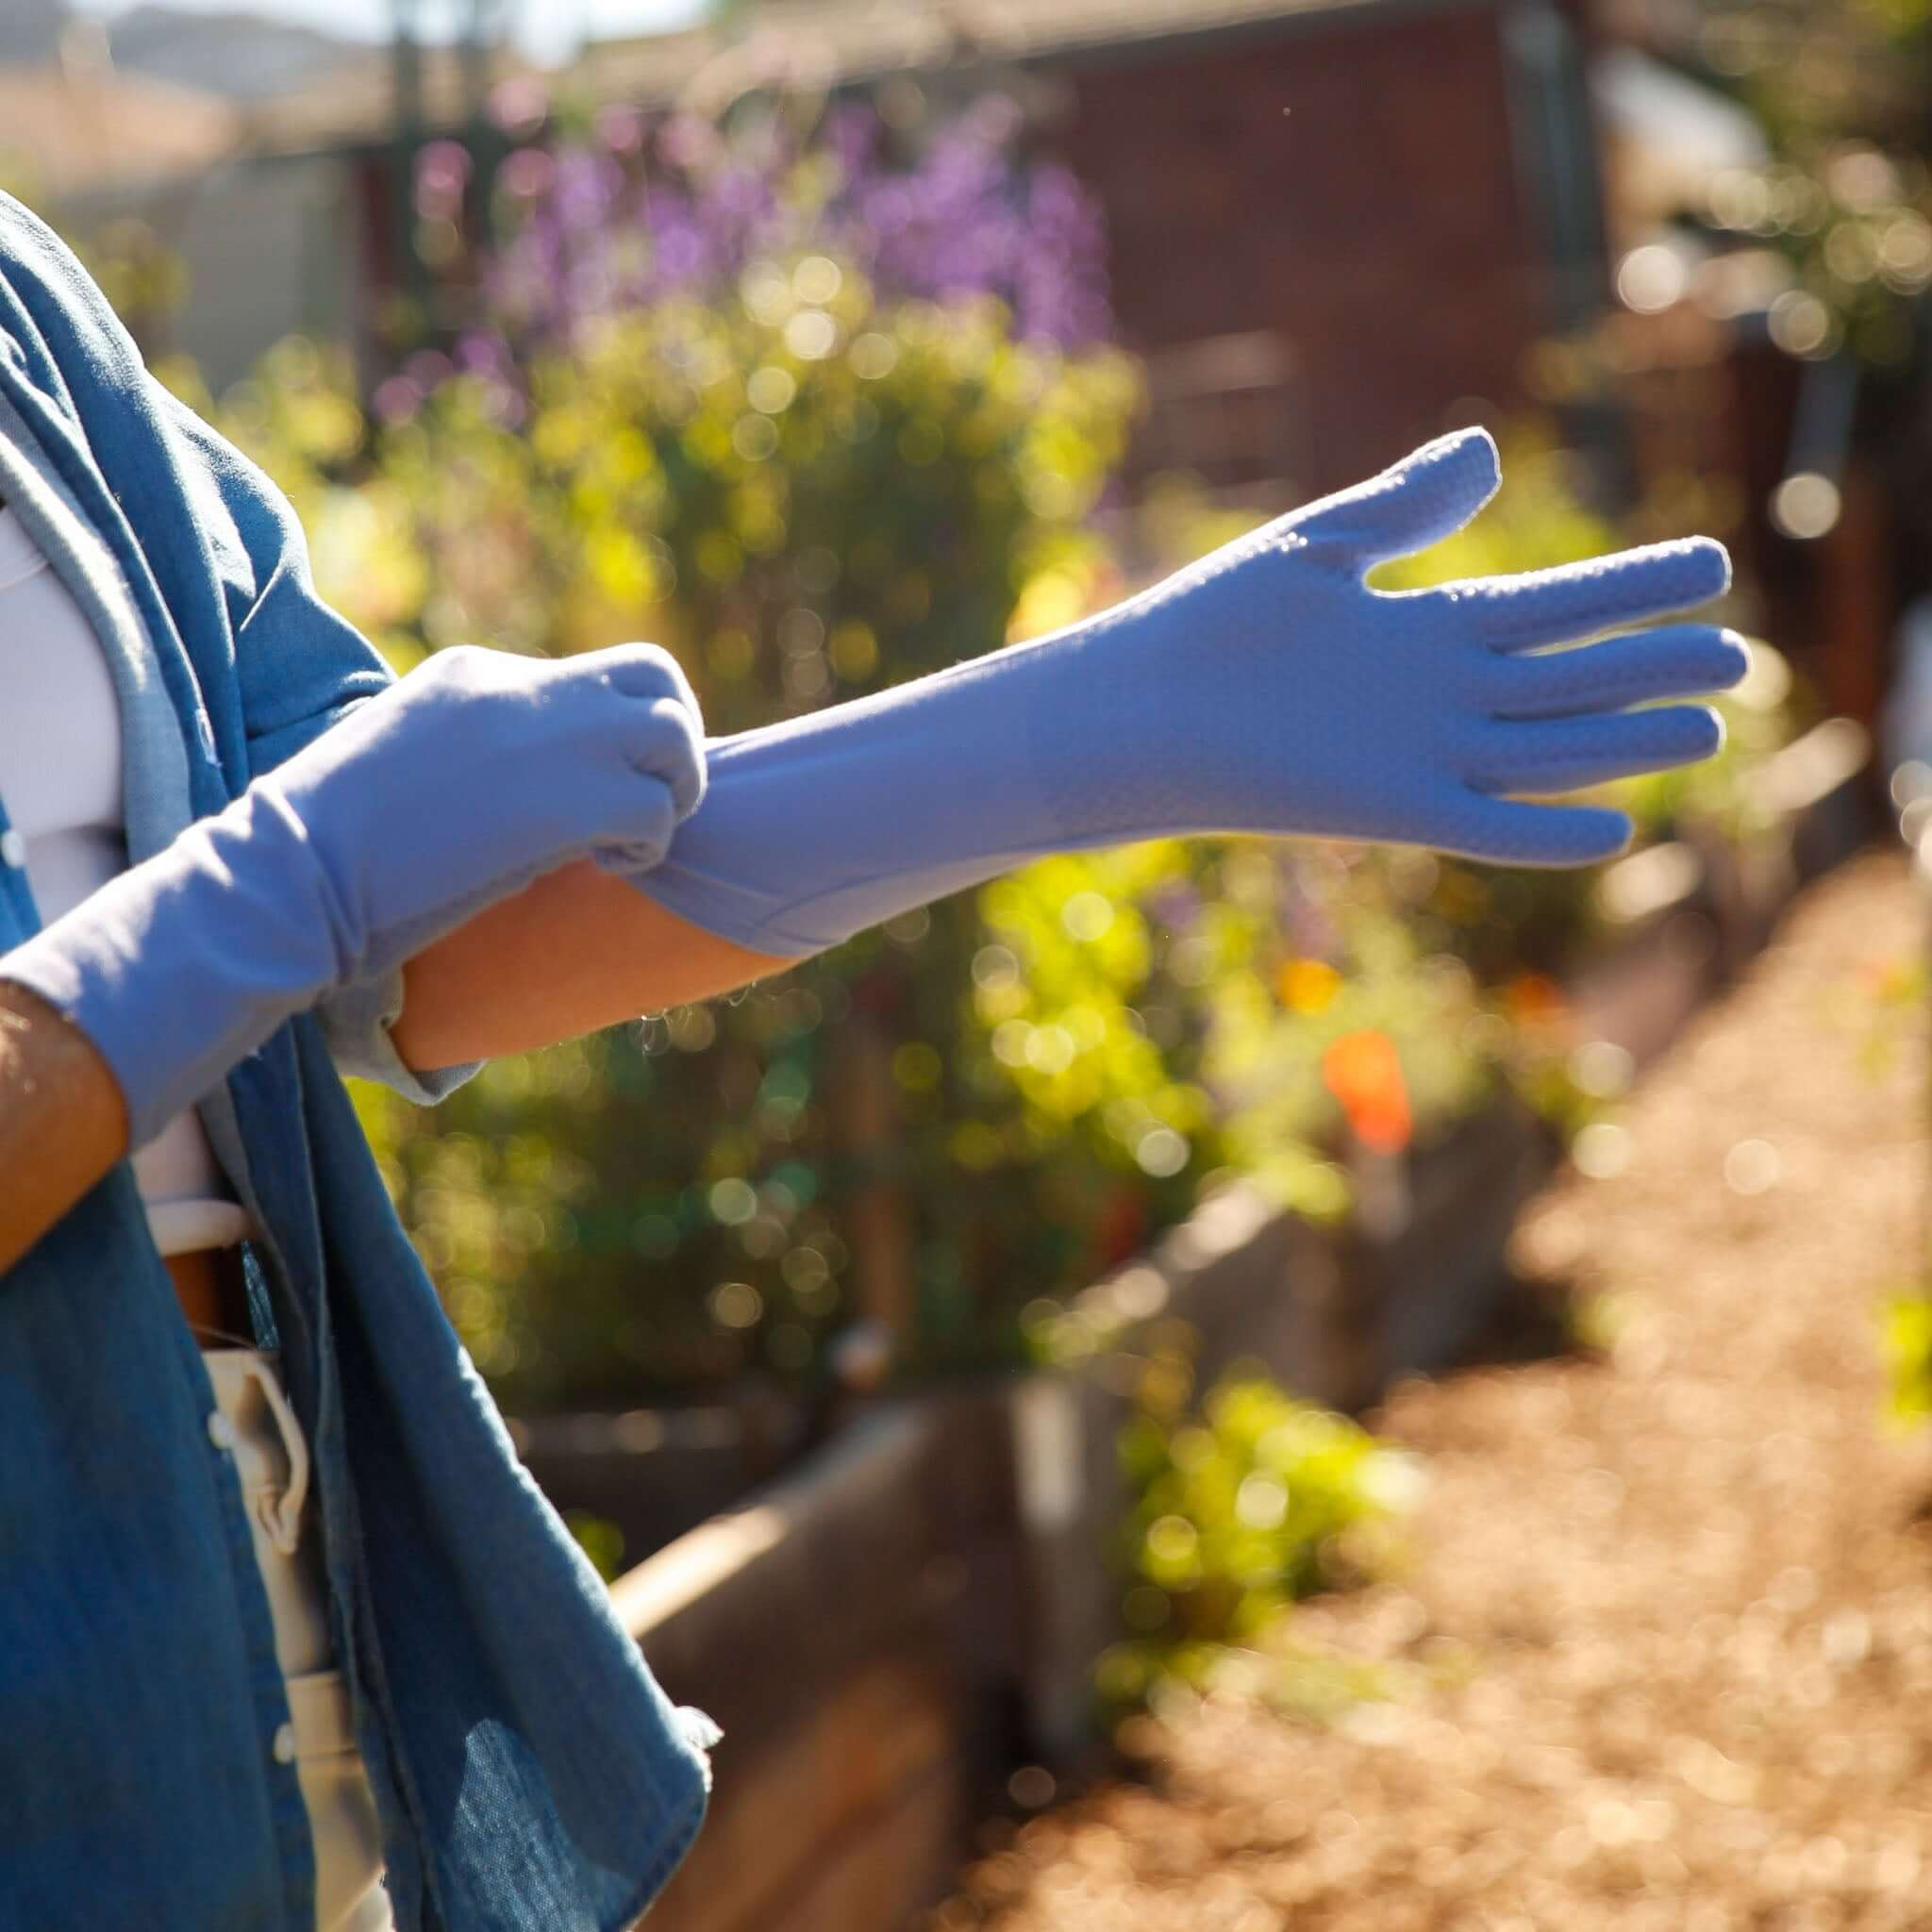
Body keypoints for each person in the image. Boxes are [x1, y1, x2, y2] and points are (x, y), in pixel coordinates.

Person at [0, 185, 1746, 1932]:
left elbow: (410, 940)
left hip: (271, 1657)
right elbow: (301, 890)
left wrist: (1089, 732)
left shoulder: (28, 306)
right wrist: (284, 884)